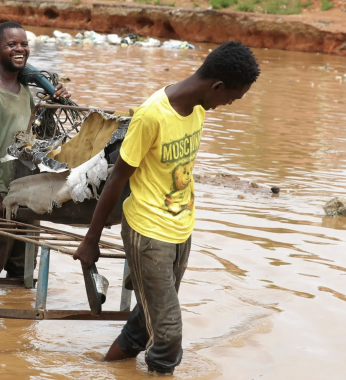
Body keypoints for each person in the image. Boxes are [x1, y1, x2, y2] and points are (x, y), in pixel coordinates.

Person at [73, 41, 260, 374]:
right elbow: (116, 179)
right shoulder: (152, 115)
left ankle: (102, 370)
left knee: (149, 319)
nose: (229, 104)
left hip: (180, 229)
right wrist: (91, 239)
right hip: (148, 233)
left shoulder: (199, 109)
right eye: (231, 97)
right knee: (169, 332)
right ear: (216, 86)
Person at [0, 21, 70, 278]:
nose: (19, 49)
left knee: (22, 269)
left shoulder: (24, 91)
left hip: (25, 194)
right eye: (11, 44)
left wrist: (54, 101)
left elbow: (32, 140)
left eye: (24, 44)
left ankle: (16, 318)